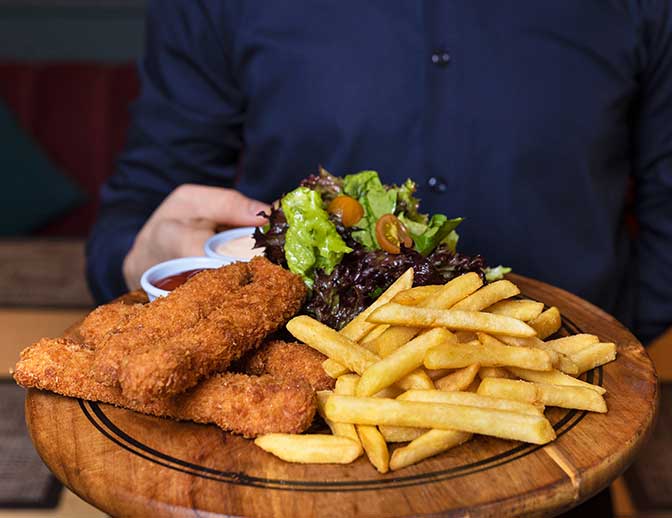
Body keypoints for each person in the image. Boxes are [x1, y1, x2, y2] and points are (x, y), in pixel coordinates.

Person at [88, 1, 672, 344]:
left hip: (572, 417)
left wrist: (616, 338)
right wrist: (141, 255)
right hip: (295, 441)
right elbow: (144, 201)